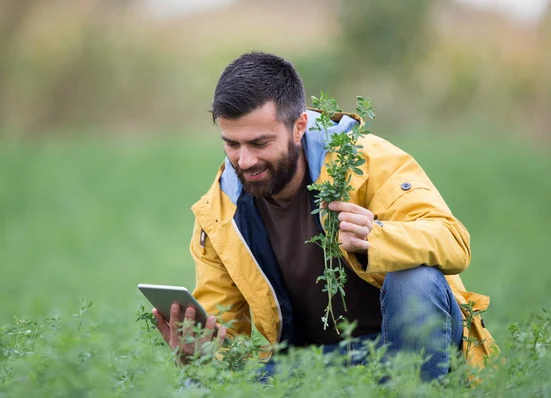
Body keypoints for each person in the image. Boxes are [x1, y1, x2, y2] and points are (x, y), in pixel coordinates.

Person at [152, 51, 496, 381]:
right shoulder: (219, 211)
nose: (244, 161)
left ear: (299, 126)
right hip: (313, 366)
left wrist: (375, 238)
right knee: (195, 386)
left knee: (414, 279)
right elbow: (226, 333)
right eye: (232, 144)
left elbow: (454, 241)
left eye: (259, 143)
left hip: (399, 350)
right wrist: (200, 355)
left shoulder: (367, 162)